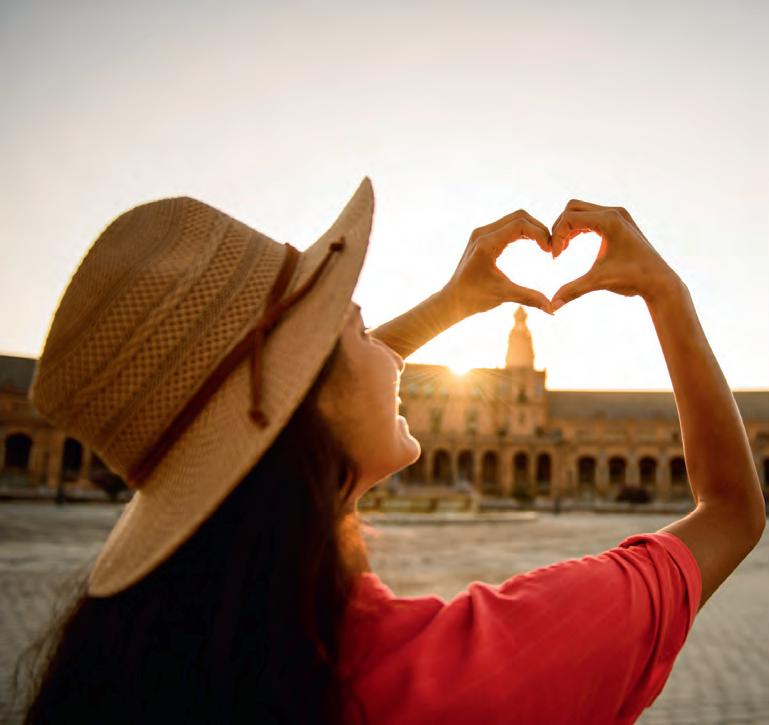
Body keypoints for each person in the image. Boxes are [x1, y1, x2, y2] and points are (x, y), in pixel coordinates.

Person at [19, 180, 764, 724]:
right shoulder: (461, 674)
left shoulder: (143, 653)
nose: (382, 344)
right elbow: (731, 511)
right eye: (352, 325)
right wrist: (667, 293)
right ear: (311, 410)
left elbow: (293, 426)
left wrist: (448, 303)